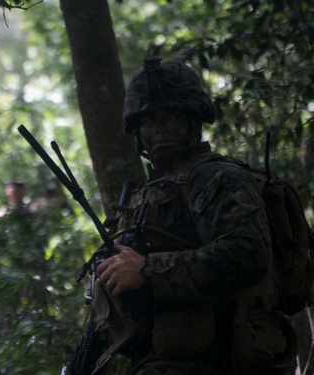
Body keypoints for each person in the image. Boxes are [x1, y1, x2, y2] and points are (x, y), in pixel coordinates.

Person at [88, 57, 297, 374]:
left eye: (171, 115)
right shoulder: (150, 192)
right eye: (149, 120)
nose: (159, 127)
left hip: (226, 354)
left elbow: (248, 253)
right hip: (166, 353)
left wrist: (147, 269)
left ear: (193, 120)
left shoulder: (215, 177)